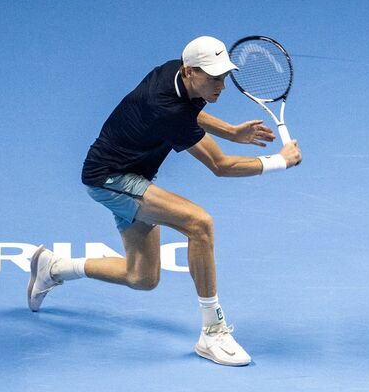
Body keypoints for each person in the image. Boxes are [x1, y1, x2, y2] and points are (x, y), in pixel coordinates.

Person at [28, 36, 302, 366]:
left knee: (142, 277)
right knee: (199, 224)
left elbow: (190, 115)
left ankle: (54, 268)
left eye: (224, 76)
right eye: (214, 78)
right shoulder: (165, 107)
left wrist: (231, 132)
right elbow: (220, 166)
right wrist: (280, 161)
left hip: (135, 174)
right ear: (190, 71)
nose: (222, 86)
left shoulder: (174, 75)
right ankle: (212, 332)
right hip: (110, 179)